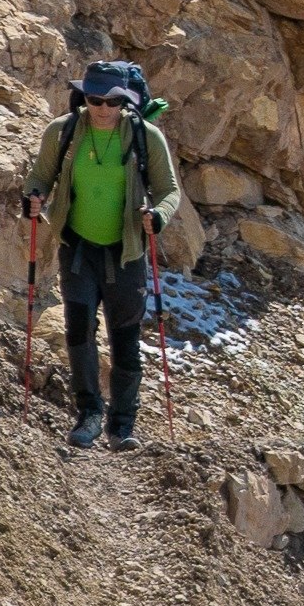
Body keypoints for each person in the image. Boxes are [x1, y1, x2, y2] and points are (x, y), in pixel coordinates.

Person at [21, 62, 181, 451]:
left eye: (112, 101)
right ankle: (89, 414)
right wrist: (33, 198)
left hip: (126, 251)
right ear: (85, 96)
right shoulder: (64, 131)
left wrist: (158, 216)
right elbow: (39, 175)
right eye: (95, 99)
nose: (103, 108)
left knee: (125, 339)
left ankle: (122, 424)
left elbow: (169, 190)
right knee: (78, 331)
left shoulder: (146, 136)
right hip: (77, 248)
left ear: (125, 100)